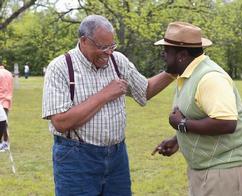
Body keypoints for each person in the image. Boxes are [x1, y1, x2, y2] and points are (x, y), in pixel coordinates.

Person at [42, 15, 174, 196]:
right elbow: (61, 122)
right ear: (84, 41)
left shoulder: (117, 61)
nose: (108, 52)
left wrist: (174, 71)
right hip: (76, 158)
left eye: (112, 46)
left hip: (117, 156)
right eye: (102, 47)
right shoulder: (61, 67)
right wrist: (105, 94)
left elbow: (144, 91)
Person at [152, 22, 242, 196]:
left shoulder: (210, 78)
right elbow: (199, 113)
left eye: (166, 51)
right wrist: (178, 139)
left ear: (181, 54)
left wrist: (181, 124)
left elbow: (226, 123)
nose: (163, 55)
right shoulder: (188, 75)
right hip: (209, 167)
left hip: (227, 167)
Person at [0, 63, 14, 152]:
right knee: (4, 122)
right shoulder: (9, 73)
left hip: (1, 99)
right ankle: (5, 141)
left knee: (2, 123)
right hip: (7, 99)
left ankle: (3, 143)